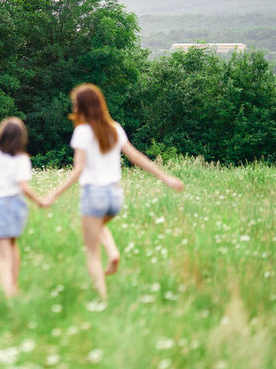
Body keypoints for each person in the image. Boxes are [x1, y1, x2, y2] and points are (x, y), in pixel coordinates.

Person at [43, 84, 184, 301]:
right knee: (97, 227)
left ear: (82, 107)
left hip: (94, 195)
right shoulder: (114, 128)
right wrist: (167, 178)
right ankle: (113, 251)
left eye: (75, 105)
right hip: (114, 197)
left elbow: (78, 170)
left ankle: (102, 298)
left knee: (91, 251)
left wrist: (54, 193)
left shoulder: (82, 132)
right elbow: (136, 158)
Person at [0, 117, 45, 298]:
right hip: (17, 205)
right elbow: (24, 187)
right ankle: (14, 286)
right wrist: (39, 201)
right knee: (13, 245)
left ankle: (9, 293)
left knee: (2, 254)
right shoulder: (22, 159)